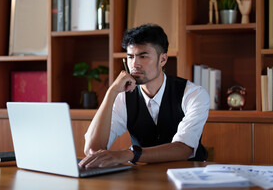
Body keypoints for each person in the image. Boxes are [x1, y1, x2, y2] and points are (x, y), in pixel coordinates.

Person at [79, 24, 209, 168]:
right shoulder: (123, 96)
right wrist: (111, 93)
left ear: (163, 60)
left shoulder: (193, 94)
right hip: (142, 176)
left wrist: (130, 154)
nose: (135, 64)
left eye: (143, 56)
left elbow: (184, 149)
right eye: (130, 57)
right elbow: (93, 149)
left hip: (187, 175)